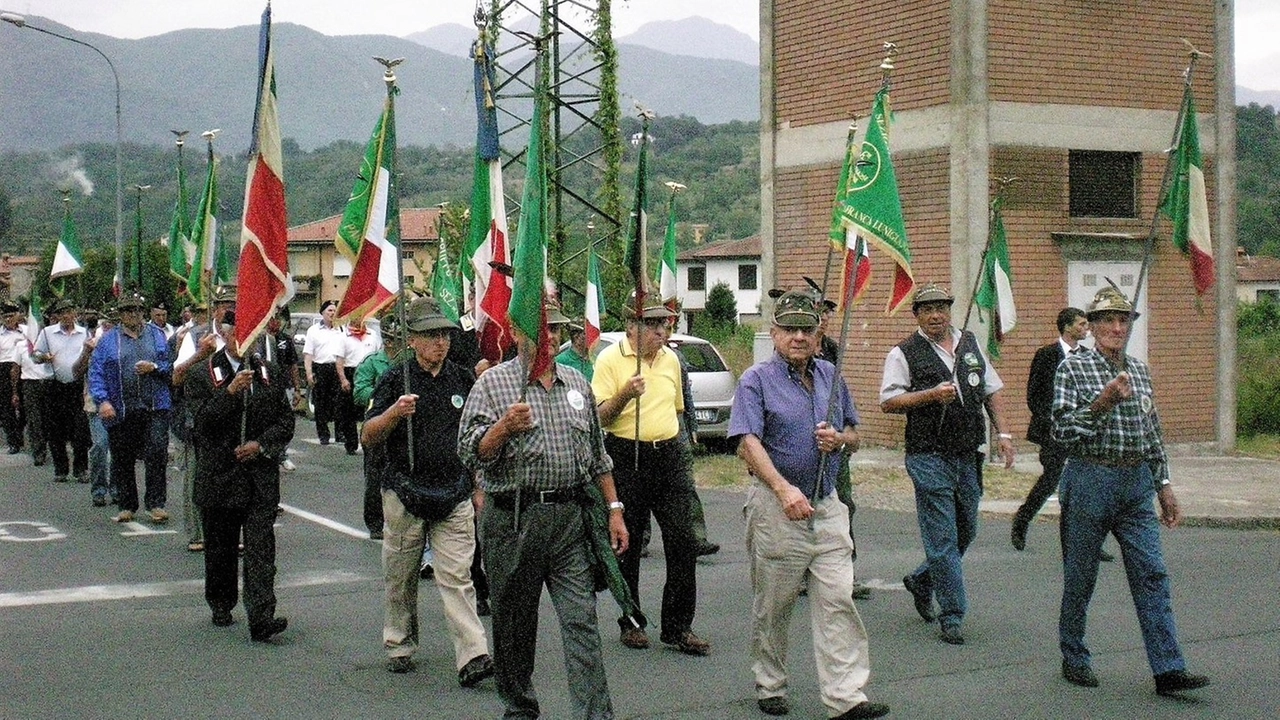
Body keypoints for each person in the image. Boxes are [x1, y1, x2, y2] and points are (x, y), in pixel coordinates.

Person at [457, 309, 627, 720]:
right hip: (513, 519)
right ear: (516, 332)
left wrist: (614, 509)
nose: (550, 337)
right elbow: (467, 451)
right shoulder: (493, 385)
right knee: (514, 625)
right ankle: (520, 707)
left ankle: (595, 714)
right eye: (541, 329)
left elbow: (598, 457)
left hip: (569, 519)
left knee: (582, 620)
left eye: (556, 330)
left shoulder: (578, 385)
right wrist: (502, 429)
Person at [729, 289, 889, 720]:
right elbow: (747, 442)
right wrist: (783, 490)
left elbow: (856, 434)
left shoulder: (831, 376)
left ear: (819, 336)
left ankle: (846, 696)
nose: (799, 336)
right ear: (774, 333)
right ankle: (770, 682)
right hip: (776, 508)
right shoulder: (755, 380)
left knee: (838, 599)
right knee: (775, 605)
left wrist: (840, 440)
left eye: (807, 329)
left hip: (828, 505)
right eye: (790, 329)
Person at [1051, 286, 1210, 696]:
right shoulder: (1073, 369)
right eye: (1107, 320)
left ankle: (1168, 668)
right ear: (1092, 327)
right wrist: (1101, 403)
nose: (1116, 328)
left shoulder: (1139, 371)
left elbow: (1151, 431)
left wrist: (1164, 485)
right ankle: (1074, 654)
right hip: (1089, 479)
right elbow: (1061, 431)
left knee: (1152, 574)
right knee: (1081, 576)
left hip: (1135, 482)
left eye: (1123, 320)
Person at [361, 297, 494, 685]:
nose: (441, 342)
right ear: (413, 340)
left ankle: (473, 654)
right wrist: (393, 414)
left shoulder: (461, 379)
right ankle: (399, 641)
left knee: (457, 576)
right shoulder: (394, 379)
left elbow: (478, 433)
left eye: (445, 335)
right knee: (400, 576)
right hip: (405, 492)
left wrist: (478, 484)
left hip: (453, 493)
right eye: (432, 335)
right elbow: (369, 436)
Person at [879, 283, 1014, 645]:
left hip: (968, 452)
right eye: (927, 309)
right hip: (927, 455)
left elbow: (991, 389)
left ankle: (923, 579)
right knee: (942, 536)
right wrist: (930, 395)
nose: (936, 315)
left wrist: (1003, 435)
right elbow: (889, 401)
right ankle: (952, 613)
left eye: (941, 307)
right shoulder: (903, 352)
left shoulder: (970, 344)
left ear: (950, 310)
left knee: (966, 530)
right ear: (917, 315)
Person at [592, 293, 709, 656]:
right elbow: (600, 417)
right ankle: (631, 620)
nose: (661, 330)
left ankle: (678, 626)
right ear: (631, 326)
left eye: (664, 323)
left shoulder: (671, 359)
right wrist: (626, 394)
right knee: (628, 542)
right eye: (652, 323)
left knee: (683, 541)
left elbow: (676, 409)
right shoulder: (611, 359)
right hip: (627, 455)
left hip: (668, 454)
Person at [184, 309, 294, 641]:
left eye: (252, 335)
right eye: (238, 334)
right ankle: (221, 602)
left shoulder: (269, 373)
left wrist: (261, 445)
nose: (245, 341)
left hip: (259, 476)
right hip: (220, 475)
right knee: (221, 547)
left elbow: (285, 421)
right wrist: (229, 393)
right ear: (225, 335)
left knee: (261, 547)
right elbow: (201, 423)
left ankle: (262, 615)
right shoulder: (202, 374)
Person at [88, 293, 173, 524]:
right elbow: (96, 373)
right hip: (121, 407)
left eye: (136, 310)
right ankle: (127, 504)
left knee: (156, 452)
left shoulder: (157, 336)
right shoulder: (108, 340)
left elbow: (170, 366)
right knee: (122, 457)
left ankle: (156, 503)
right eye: (127, 311)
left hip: (155, 405)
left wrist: (154, 367)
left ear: (143, 313)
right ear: (120, 314)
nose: (132, 315)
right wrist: (102, 401)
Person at [814, 293, 871, 599]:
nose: (823, 319)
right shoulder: (791, 350)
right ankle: (800, 568)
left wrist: (848, 432)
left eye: (827, 313)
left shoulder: (833, 350)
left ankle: (846, 570)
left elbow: (840, 394)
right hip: (807, 439)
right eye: (818, 313)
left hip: (835, 438)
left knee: (844, 503)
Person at [354, 315, 407, 538]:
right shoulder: (371, 363)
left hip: (403, 426)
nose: (394, 343)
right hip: (378, 427)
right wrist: (383, 394)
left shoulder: (408, 361)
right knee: (375, 477)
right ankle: (375, 522)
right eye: (391, 338)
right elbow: (359, 393)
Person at [33, 298, 92, 484]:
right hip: (54, 386)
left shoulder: (84, 333)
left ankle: (81, 468)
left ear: (75, 313)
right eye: (63, 313)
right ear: (57, 316)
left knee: (80, 430)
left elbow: (91, 354)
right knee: (55, 429)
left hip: (76, 386)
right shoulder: (47, 333)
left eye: (70, 312)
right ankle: (61, 468)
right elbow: (35, 355)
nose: (67, 316)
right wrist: (43, 357)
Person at [335, 316, 382, 455]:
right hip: (351, 371)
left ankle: (368, 440)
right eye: (356, 316)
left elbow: (378, 354)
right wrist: (343, 379)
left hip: (369, 372)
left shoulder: (372, 335)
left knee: (369, 409)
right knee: (348, 412)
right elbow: (339, 360)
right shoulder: (344, 336)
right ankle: (351, 442)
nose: (359, 320)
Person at [303, 300, 344, 446]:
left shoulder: (341, 330)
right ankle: (323, 435)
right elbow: (308, 354)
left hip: (337, 368)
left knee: (339, 402)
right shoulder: (313, 331)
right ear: (322, 313)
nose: (332, 313)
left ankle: (340, 433)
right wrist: (309, 373)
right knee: (320, 403)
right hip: (320, 368)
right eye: (329, 311)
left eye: (334, 311)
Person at [18, 301, 53, 467]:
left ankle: (52, 446)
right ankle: (38, 452)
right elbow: (14, 370)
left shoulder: (50, 344)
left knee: (48, 419)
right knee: (34, 419)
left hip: (48, 383)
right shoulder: (21, 346)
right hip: (29, 385)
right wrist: (15, 392)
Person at [0, 300, 26, 454]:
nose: (8, 319)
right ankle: (13, 441)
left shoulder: (26, 331)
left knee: (25, 406)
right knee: (6, 407)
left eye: (11, 315)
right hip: (4, 368)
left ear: (18, 315)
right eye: (5, 316)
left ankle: (19, 431)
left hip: (25, 368)